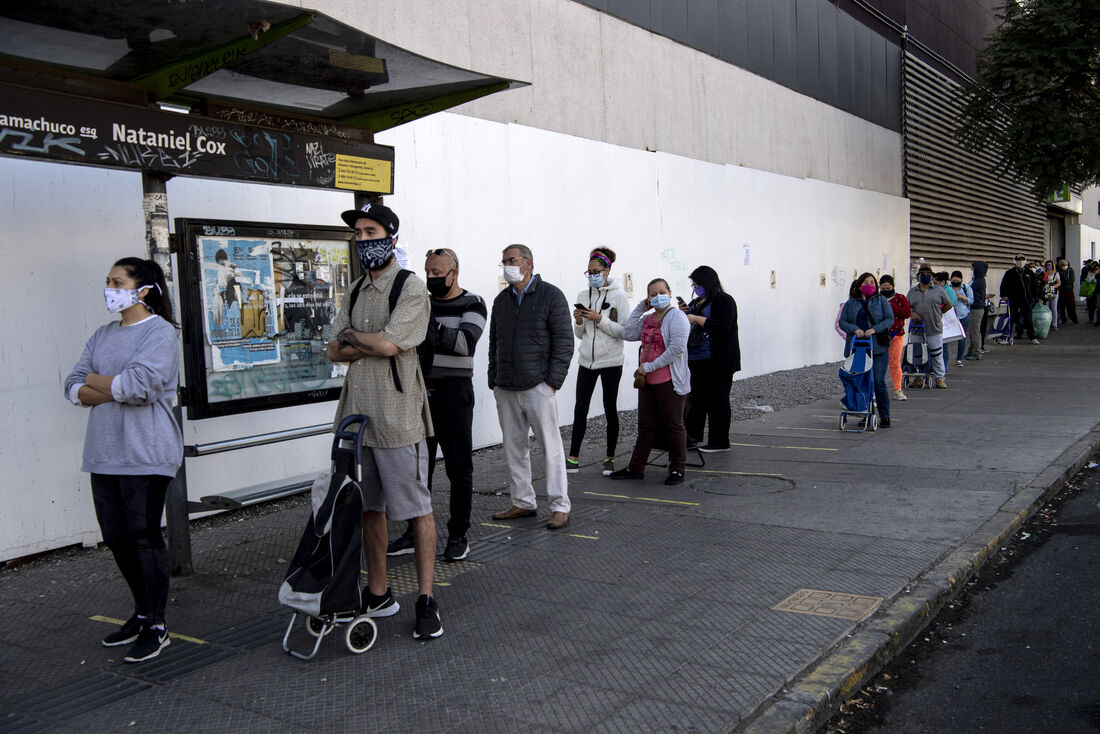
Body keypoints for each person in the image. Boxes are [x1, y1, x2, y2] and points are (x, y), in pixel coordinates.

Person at [327, 202, 442, 640]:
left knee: (417, 511)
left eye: (371, 232)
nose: (363, 241)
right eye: (358, 234)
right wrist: (365, 342)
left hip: (398, 419)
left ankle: (427, 599)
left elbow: (392, 346)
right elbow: (332, 349)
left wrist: (357, 340)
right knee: (368, 509)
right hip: (357, 421)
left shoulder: (411, 288)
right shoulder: (355, 290)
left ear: (390, 237)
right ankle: (378, 593)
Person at [64, 257, 182, 663]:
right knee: (116, 538)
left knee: (144, 537)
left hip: (146, 454)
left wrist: (98, 384)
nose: (110, 288)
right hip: (103, 453)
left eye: (117, 281)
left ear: (143, 290)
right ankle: (141, 611)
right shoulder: (102, 335)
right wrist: (111, 385)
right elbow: (71, 383)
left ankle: (157, 625)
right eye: (108, 281)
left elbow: (139, 387)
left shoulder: (160, 333)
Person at [385, 248, 486, 563]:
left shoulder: (473, 303)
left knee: (459, 469)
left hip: (454, 395)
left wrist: (430, 327)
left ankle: (458, 535)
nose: (431, 279)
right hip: (420, 393)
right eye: (427, 273)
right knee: (418, 469)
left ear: (454, 273)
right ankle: (414, 533)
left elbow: (464, 343)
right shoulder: (423, 304)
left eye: (437, 274)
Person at [488, 244, 574, 530]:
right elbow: (494, 343)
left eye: (511, 260)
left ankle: (560, 505)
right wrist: (493, 378)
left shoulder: (551, 296)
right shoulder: (502, 301)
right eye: (504, 262)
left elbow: (564, 342)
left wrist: (552, 383)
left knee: (551, 448)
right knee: (514, 448)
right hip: (506, 386)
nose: (507, 266)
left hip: (539, 386)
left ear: (528, 262)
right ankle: (523, 501)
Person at [610, 278, 691, 483]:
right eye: (653, 294)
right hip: (647, 381)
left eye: (662, 292)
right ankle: (635, 467)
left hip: (669, 380)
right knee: (645, 425)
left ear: (670, 293)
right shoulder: (648, 319)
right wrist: (639, 308)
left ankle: (677, 468)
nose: (658, 296)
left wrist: (650, 366)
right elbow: (628, 333)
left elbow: (677, 348)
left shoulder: (677, 318)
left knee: (674, 425)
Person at [568, 247, 630, 476]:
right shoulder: (583, 296)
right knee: (580, 408)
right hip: (586, 361)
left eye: (596, 271)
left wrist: (599, 319)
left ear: (606, 271)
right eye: (588, 271)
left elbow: (625, 331)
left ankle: (610, 457)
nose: (592, 275)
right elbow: (580, 335)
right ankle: (573, 457)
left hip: (611, 361)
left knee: (609, 408)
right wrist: (579, 321)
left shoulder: (619, 296)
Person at [681, 265, 740, 453]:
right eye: (693, 285)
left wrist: (696, 319)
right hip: (696, 358)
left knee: (718, 400)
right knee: (697, 400)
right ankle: (692, 437)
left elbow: (724, 326)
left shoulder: (725, 301)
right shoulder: (698, 302)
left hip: (719, 359)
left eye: (698, 284)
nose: (695, 288)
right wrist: (686, 313)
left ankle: (720, 441)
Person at [839, 273, 894, 426]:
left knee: (877, 381)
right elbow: (842, 322)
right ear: (859, 286)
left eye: (872, 282)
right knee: (862, 381)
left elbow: (889, 319)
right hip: (858, 349)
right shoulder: (851, 303)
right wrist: (854, 329)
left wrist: (875, 329)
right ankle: (866, 413)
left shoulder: (881, 300)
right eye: (866, 282)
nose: (870, 285)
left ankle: (885, 415)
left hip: (878, 348)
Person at [906, 263, 952, 389]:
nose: (925, 276)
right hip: (917, 329)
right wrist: (912, 314)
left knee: (937, 354)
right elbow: (906, 308)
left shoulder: (939, 290)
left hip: (934, 328)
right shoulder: (912, 292)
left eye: (928, 275)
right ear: (918, 276)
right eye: (922, 275)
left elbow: (948, 304)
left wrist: (939, 314)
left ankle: (940, 378)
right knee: (918, 355)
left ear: (931, 277)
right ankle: (918, 378)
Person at [878, 275, 911, 400]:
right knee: (878, 363)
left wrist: (890, 305)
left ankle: (898, 389)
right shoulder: (877, 299)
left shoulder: (900, 298)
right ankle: (876, 390)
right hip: (879, 335)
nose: (886, 290)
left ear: (893, 286)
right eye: (883, 288)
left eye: (888, 288)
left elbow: (906, 313)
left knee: (895, 363)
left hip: (896, 334)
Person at [999, 253, 1040, 344]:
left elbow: (1034, 286)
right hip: (1014, 300)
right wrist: (1003, 295)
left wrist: (1035, 297)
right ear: (1015, 261)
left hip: (1027, 300)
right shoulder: (1010, 273)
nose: (1020, 262)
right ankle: (1008, 336)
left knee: (1028, 319)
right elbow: (1004, 285)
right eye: (1018, 260)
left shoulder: (1029, 273)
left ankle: (1032, 337)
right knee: (1011, 319)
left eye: (1022, 260)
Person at [949, 270, 972, 367]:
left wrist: (963, 297)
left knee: (962, 337)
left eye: (957, 279)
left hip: (963, 315)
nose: (955, 281)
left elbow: (971, 300)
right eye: (953, 279)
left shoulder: (966, 288)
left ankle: (959, 359)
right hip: (950, 316)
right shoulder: (948, 289)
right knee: (947, 338)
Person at [965, 262, 987, 360]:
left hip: (976, 308)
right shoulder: (977, 280)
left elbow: (969, 291)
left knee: (975, 331)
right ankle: (971, 350)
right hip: (975, 308)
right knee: (973, 331)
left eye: (972, 268)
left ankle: (976, 351)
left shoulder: (979, 281)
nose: (971, 270)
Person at [1041, 259, 1061, 330]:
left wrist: (1053, 287)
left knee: (1054, 308)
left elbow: (1059, 282)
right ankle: (1047, 323)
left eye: (1050, 265)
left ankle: (1054, 323)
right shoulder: (1044, 273)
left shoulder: (1056, 273)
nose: (1048, 266)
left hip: (1053, 292)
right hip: (1046, 291)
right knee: (1047, 307)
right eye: (1047, 265)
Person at [1056, 258, 1078, 325]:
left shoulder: (1070, 270)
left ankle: (1074, 319)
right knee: (1061, 306)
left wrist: (1064, 281)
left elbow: (1072, 280)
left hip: (1069, 290)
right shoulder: (1058, 271)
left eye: (1065, 265)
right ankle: (1063, 319)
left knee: (1071, 305)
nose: (1064, 266)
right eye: (1063, 265)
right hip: (1061, 291)